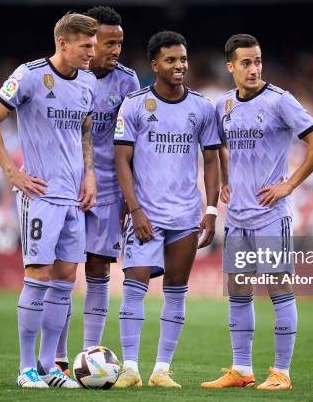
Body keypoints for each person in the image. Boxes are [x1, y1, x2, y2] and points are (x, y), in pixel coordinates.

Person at [200, 34, 313, 391]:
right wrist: (227, 178)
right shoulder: (223, 104)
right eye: (246, 63)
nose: (254, 68)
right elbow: (220, 146)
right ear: (230, 67)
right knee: (239, 291)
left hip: (272, 216)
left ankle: (282, 373)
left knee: (279, 289)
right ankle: (241, 369)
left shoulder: (280, 101)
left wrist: (289, 185)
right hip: (238, 217)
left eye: (257, 61)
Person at [0, 12, 99, 389]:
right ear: (63, 43)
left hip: (73, 199)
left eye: (94, 46)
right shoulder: (29, 75)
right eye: (86, 46)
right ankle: (26, 367)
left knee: (65, 279)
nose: (92, 53)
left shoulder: (88, 83)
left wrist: (89, 172)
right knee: (39, 276)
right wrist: (13, 173)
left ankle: (49, 366)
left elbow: (85, 130)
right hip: (41, 196)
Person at [113, 31, 220, 388]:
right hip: (146, 215)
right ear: (155, 64)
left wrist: (211, 209)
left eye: (184, 59)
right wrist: (135, 209)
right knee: (134, 284)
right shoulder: (134, 104)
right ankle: (130, 367)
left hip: (186, 216)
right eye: (171, 60)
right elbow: (122, 160)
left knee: (177, 288)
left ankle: (161, 370)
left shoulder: (203, 108)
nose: (180, 66)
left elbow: (211, 161)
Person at [53, 5, 140, 376]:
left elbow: (135, 144)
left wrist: (130, 197)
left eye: (119, 42)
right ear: (90, 41)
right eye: (108, 42)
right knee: (63, 270)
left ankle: (90, 355)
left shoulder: (128, 82)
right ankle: (56, 356)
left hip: (108, 189)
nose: (114, 49)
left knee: (99, 267)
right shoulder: (70, 77)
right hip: (67, 184)